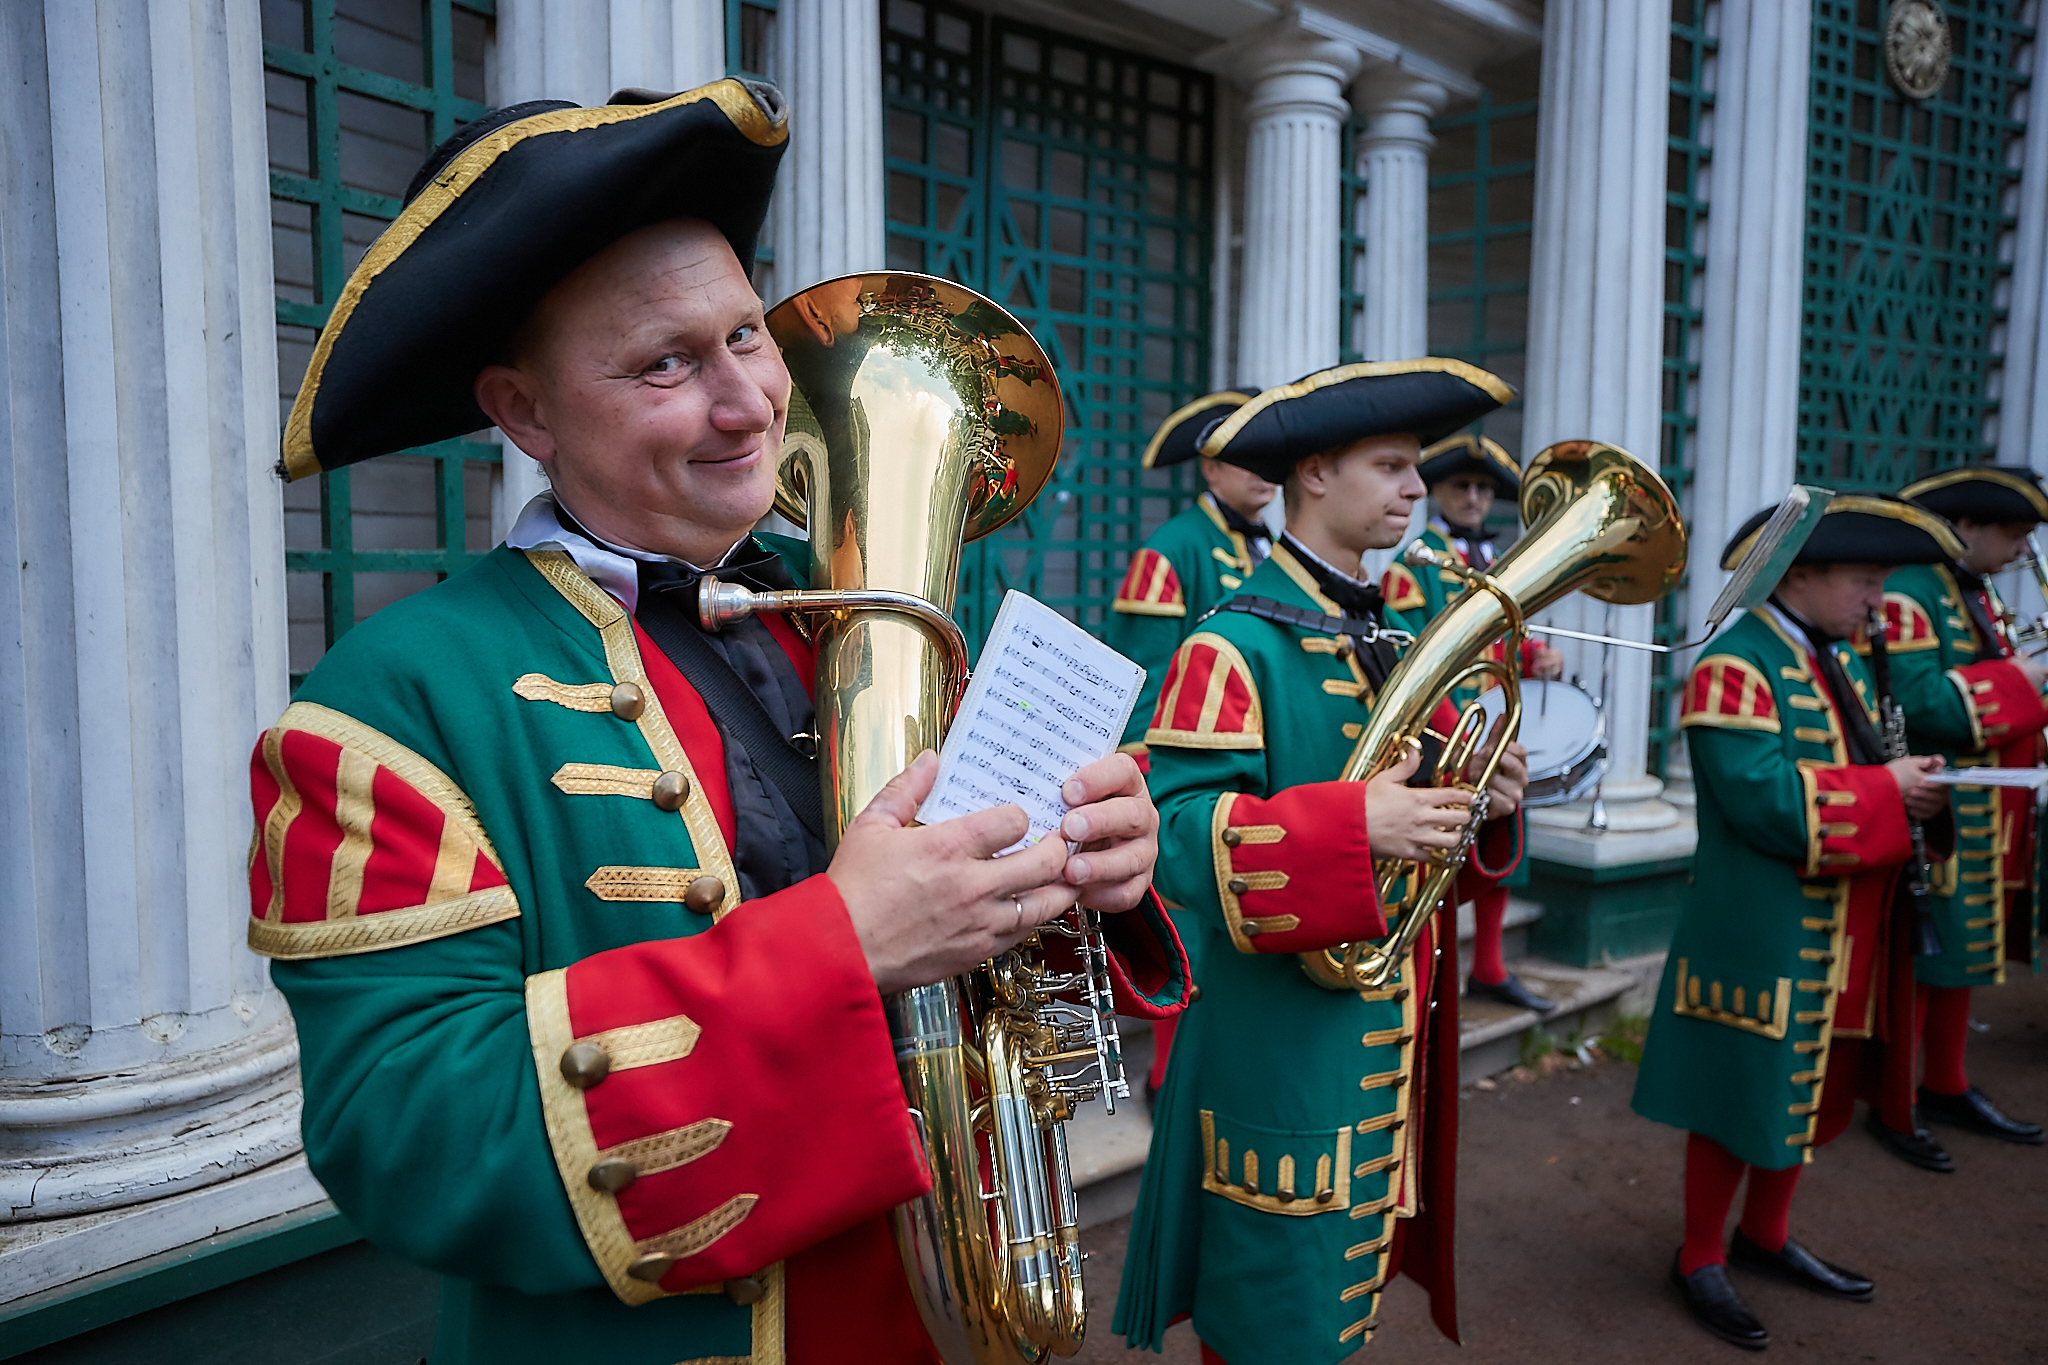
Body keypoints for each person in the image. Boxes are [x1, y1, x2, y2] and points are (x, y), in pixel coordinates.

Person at [244, 81, 1188, 1365]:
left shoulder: (875, 621)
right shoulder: (384, 705)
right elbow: (409, 1139)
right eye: (665, 363)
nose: (749, 402)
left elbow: (990, 948)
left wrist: (1082, 869)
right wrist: (841, 943)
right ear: (522, 412)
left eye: (747, 336)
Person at [1112, 360, 1530, 1363]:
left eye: (1412, 468)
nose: (1414, 489)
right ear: (1310, 474)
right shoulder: (1230, 647)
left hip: (1382, 1021)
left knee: (1336, 1290)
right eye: (1388, 466)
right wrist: (1357, 826)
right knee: (1267, 1293)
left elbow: (1420, 825)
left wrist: (1474, 800)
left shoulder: (1385, 634)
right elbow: (1174, 836)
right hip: (1277, 1043)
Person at [1634, 497, 1958, 1350]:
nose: (1878, 601)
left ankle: (1765, 1237)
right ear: (1801, 576)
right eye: (1864, 581)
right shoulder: (1735, 663)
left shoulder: (1829, 659)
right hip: (1760, 922)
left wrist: (1905, 781)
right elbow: (1765, 803)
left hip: (1838, 916)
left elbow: (1849, 769)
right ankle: (1700, 1254)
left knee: (1807, 1083)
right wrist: (1891, 791)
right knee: (1741, 1088)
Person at [1861, 466, 2048, 1166]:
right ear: (1965, 526)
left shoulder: (1966, 586)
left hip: (1975, 792)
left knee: (1964, 947)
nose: (2020, 551)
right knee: (1925, 951)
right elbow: (1914, 703)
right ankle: (1899, 1101)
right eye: (2013, 534)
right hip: (1929, 793)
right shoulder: (1913, 591)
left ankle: (1944, 1081)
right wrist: (2020, 681)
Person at [1105, 390, 1266, 1105]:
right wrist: (1150, 775)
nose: (1265, 472)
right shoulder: (1167, 551)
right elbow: (1142, 675)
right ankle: (1169, 1080)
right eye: (1245, 458)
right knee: (1190, 928)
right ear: (1209, 468)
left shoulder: (1267, 547)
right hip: (1178, 769)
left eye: (1273, 458)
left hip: (1244, 762)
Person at [1382, 432, 1564, 1014]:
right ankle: (1430, 966)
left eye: (1485, 489)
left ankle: (1489, 967)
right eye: (1463, 486)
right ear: (1438, 492)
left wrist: (1535, 657)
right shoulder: (1415, 566)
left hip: (1496, 721)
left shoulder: (1499, 562)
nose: (1475, 498)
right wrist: (1458, 727)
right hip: (1448, 729)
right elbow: (1408, 652)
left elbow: (1509, 635)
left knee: (1504, 836)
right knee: (1443, 846)